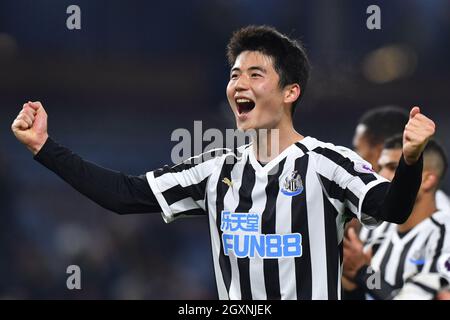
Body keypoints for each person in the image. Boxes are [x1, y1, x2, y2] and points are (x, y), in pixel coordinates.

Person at [11, 25, 435, 300]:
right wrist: (45, 148)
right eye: (234, 74)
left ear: (290, 92)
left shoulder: (328, 165)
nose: (239, 84)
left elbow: (392, 208)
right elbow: (124, 195)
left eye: (255, 74)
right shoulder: (214, 171)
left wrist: (411, 159)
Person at [343, 136, 450, 299]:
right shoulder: (375, 229)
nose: (381, 176)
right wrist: (351, 286)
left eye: (394, 168)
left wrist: (364, 273)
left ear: (428, 180)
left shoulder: (444, 235)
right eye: (380, 168)